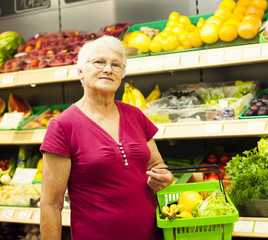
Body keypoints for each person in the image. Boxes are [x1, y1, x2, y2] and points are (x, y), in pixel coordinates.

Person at [39, 35, 174, 240]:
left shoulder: (135, 115)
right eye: (99, 62)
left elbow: (157, 164)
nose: (108, 69)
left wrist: (165, 176)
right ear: (81, 71)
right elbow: (51, 204)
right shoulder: (62, 126)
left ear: (121, 75)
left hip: (151, 234)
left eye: (116, 65)